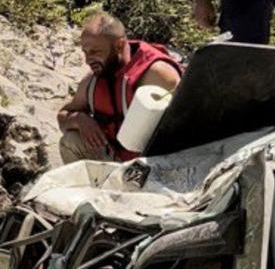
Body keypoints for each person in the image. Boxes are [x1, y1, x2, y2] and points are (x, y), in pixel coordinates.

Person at [56, 11, 183, 163]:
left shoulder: (157, 73)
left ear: (119, 45)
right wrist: (79, 119)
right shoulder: (91, 81)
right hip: (115, 157)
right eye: (85, 52)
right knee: (70, 141)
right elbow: (63, 115)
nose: (88, 60)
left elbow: (188, 122)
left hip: (156, 161)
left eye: (95, 52)